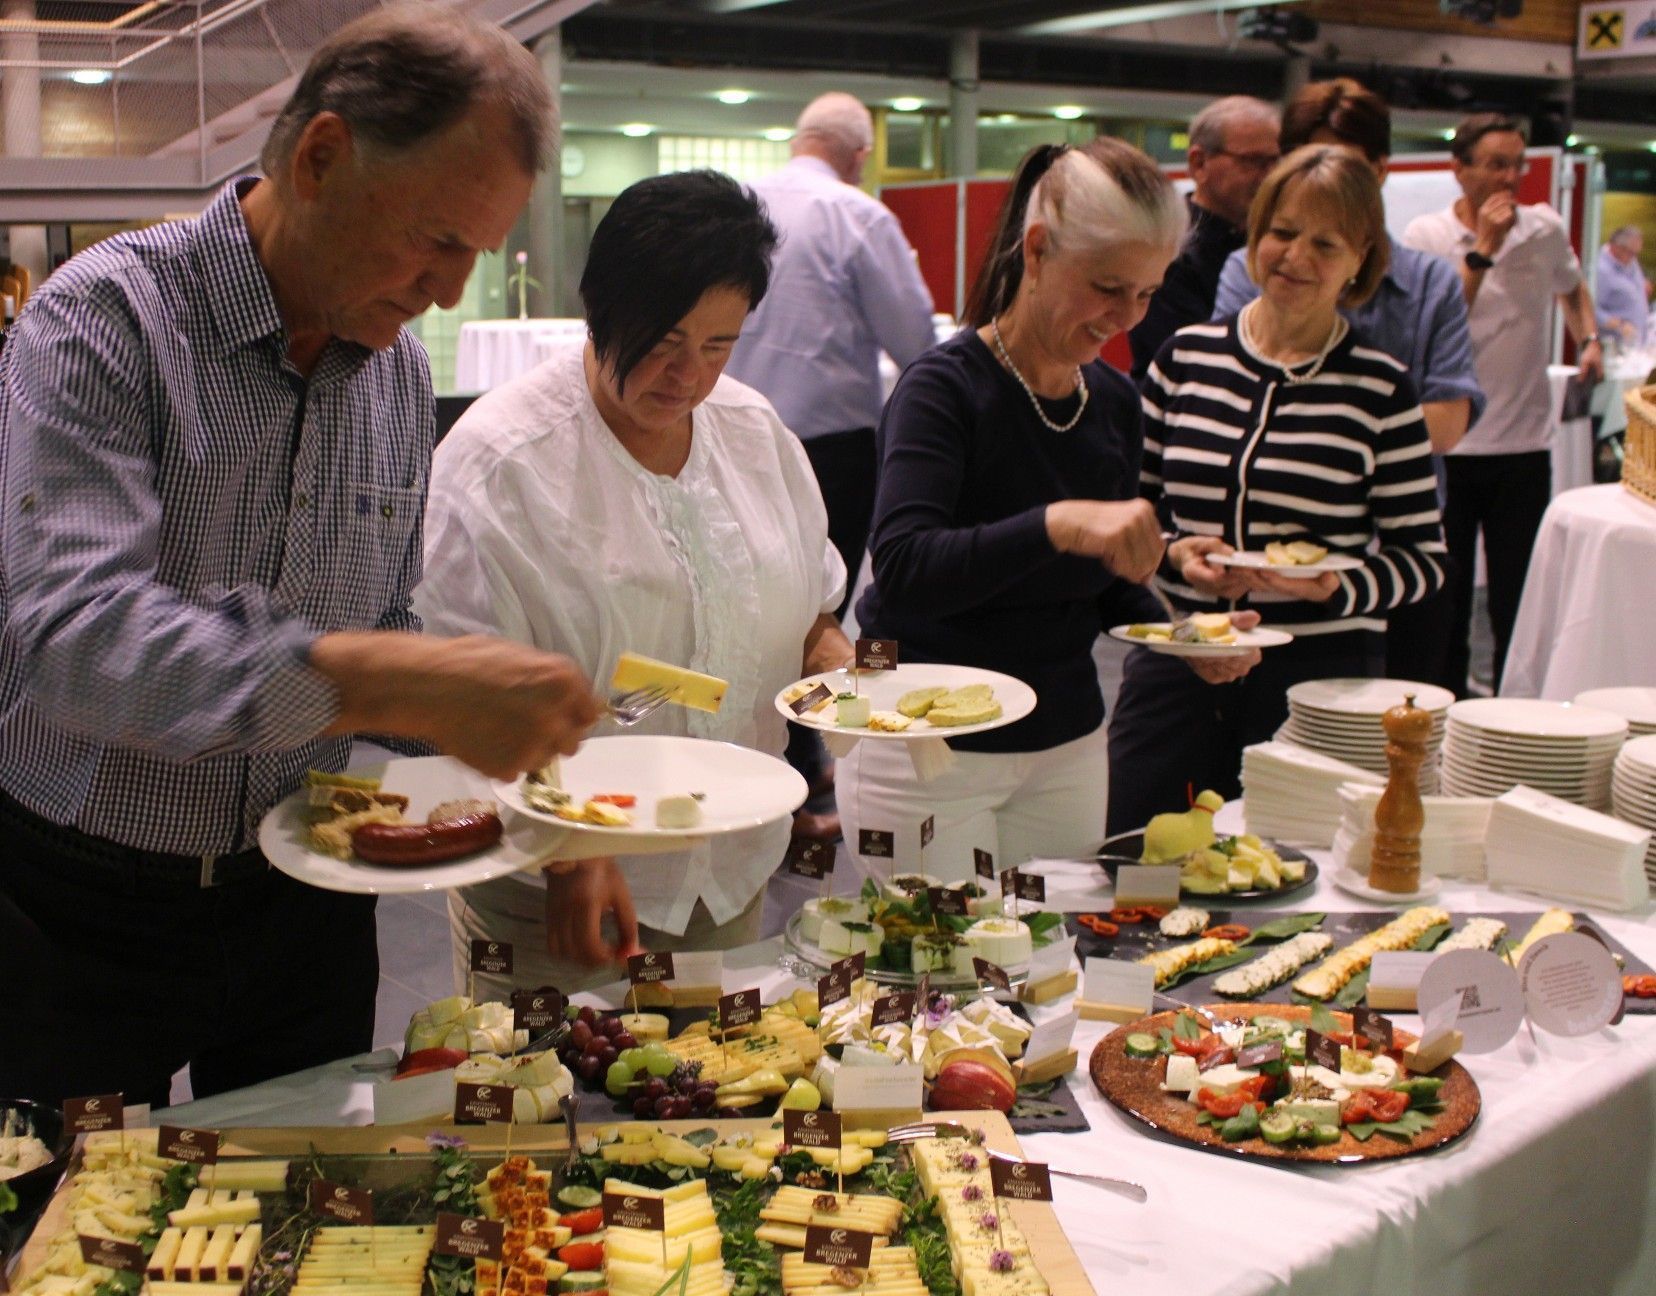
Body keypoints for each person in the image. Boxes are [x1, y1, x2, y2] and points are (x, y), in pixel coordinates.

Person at [0, 8, 602, 1109]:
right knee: (71, 1208)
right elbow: (75, 642)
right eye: (436, 239)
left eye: (475, 255)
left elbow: (379, 618)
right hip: (81, 904)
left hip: (304, 894)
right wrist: (381, 677)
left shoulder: (394, 371)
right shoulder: (105, 321)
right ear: (321, 158)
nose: (449, 291)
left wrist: (514, 740)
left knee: (317, 1189)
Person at [416, 170, 848, 994]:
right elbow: (457, 699)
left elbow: (813, 605)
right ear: (600, 309)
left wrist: (834, 659)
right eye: (663, 340)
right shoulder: (502, 463)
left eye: (718, 346)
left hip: (729, 869)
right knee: (546, 1076)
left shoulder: (755, 433)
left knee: (714, 1070)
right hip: (559, 892)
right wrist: (568, 847)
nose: (688, 376)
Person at [834, 139, 1258, 883]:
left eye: (1148, 293)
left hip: (1065, 740)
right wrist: (1058, 524)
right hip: (927, 743)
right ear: (1036, 251)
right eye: (1108, 287)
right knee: (930, 950)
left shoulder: (1114, 402)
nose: (1126, 317)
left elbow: (1101, 587)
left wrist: (1185, 635)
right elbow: (903, 568)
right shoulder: (944, 388)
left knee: (1049, 943)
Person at [1108, 145, 1447, 835]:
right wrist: (1174, 554)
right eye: (1283, 232)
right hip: (1181, 650)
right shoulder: (1185, 359)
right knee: (1138, 853)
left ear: (1360, 260)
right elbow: (1129, 513)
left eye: (1326, 243)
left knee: (1293, 864)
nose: (1296, 257)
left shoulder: (1380, 388)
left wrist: (1336, 586)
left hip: (1318, 682)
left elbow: (1423, 559)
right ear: (1256, 237)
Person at [1211, 78, 1482, 693]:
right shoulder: (1246, 269)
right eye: (1303, 161)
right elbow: (1226, 398)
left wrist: (1334, 429)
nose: (1321, 181)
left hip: (1399, 555)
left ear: (1380, 171)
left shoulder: (1430, 283)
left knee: (1400, 722)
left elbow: (1450, 421)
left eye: (1342, 164)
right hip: (1261, 568)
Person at [725, 93, 936, 840]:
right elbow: (915, 341)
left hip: (721, 432)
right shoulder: (857, 216)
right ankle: (806, 761)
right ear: (859, 155)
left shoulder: (740, 203)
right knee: (821, 613)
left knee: (744, 607)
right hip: (831, 446)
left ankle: (786, 756)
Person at [1403, 114, 1604, 696]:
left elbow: (1572, 286)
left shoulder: (1544, 228)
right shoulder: (1427, 235)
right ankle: (1442, 710)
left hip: (1523, 443)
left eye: (1517, 165)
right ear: (1459, 169)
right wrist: (1485, 249)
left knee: (1518, 597)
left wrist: (1589, 338)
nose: (1510, 178)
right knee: (1447, 599)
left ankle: (1516, 713)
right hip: (1451, 445)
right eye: (1495, 165)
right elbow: (1436, 323)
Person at [1127, 95, 1280, 384]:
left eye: (1275, 161)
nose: (1270, 176)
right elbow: (1189, 360)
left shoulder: (1272, 242)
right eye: (1253, 162)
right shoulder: (1165, 246)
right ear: (1199, 163)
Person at [1597, 225, 1651, 346]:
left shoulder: (1630, 262)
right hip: (1614, 346)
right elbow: (1592, 310)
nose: (1634, 258)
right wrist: (1620, 325)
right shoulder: (1601, 270)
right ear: (1616, 247)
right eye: (1631, 253)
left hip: (1637, 345)